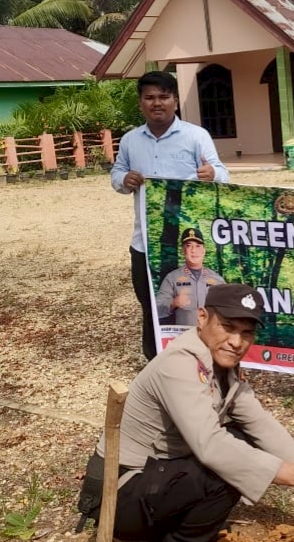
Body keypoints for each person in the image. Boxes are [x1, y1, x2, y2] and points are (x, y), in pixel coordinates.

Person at [82, 283, 294, 542]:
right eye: (227, 327)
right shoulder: (180, 364)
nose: (237, 341)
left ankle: (163, 533)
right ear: (202, 318)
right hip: (116, 496)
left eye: (246, 332)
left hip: (148, 482)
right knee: (225, 466)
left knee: (239, 442)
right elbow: (210, 446)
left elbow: (261, 424)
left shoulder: (219, 367)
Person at [112, 70, 229, 361]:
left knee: (192, 303)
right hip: (145, 244)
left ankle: (198, 359)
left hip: (186, 245)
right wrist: (124, 179)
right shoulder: (130, 141)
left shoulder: (196, 136)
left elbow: (223, 174)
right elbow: (116, 173)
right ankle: (156, 363)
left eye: (164, 96)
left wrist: (213, 174)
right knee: (151, 303)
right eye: (149, 97)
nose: (157, 103)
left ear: (175, 100)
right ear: (140, 103)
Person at [155, 227, 225, 325]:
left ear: (204, 250)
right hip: (184, 336)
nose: (193, 250)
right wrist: (174, 302)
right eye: (189, 246)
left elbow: (228, 310)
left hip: (210, 337)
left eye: (198, 246)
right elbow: (156, 310)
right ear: (183, 250)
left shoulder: (217, 280)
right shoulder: (172, 278)